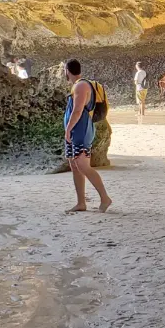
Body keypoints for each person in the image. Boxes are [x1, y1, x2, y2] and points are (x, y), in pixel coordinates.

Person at [63, 59, 113, 213]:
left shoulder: (81, 86)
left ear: (67, 70)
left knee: (83, 165)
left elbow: (77, 111)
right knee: (75, 165)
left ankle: (105, 198)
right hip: (76, 130)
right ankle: (81, 203)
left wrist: (68, 129)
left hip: (80, 130)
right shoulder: (79, 85)